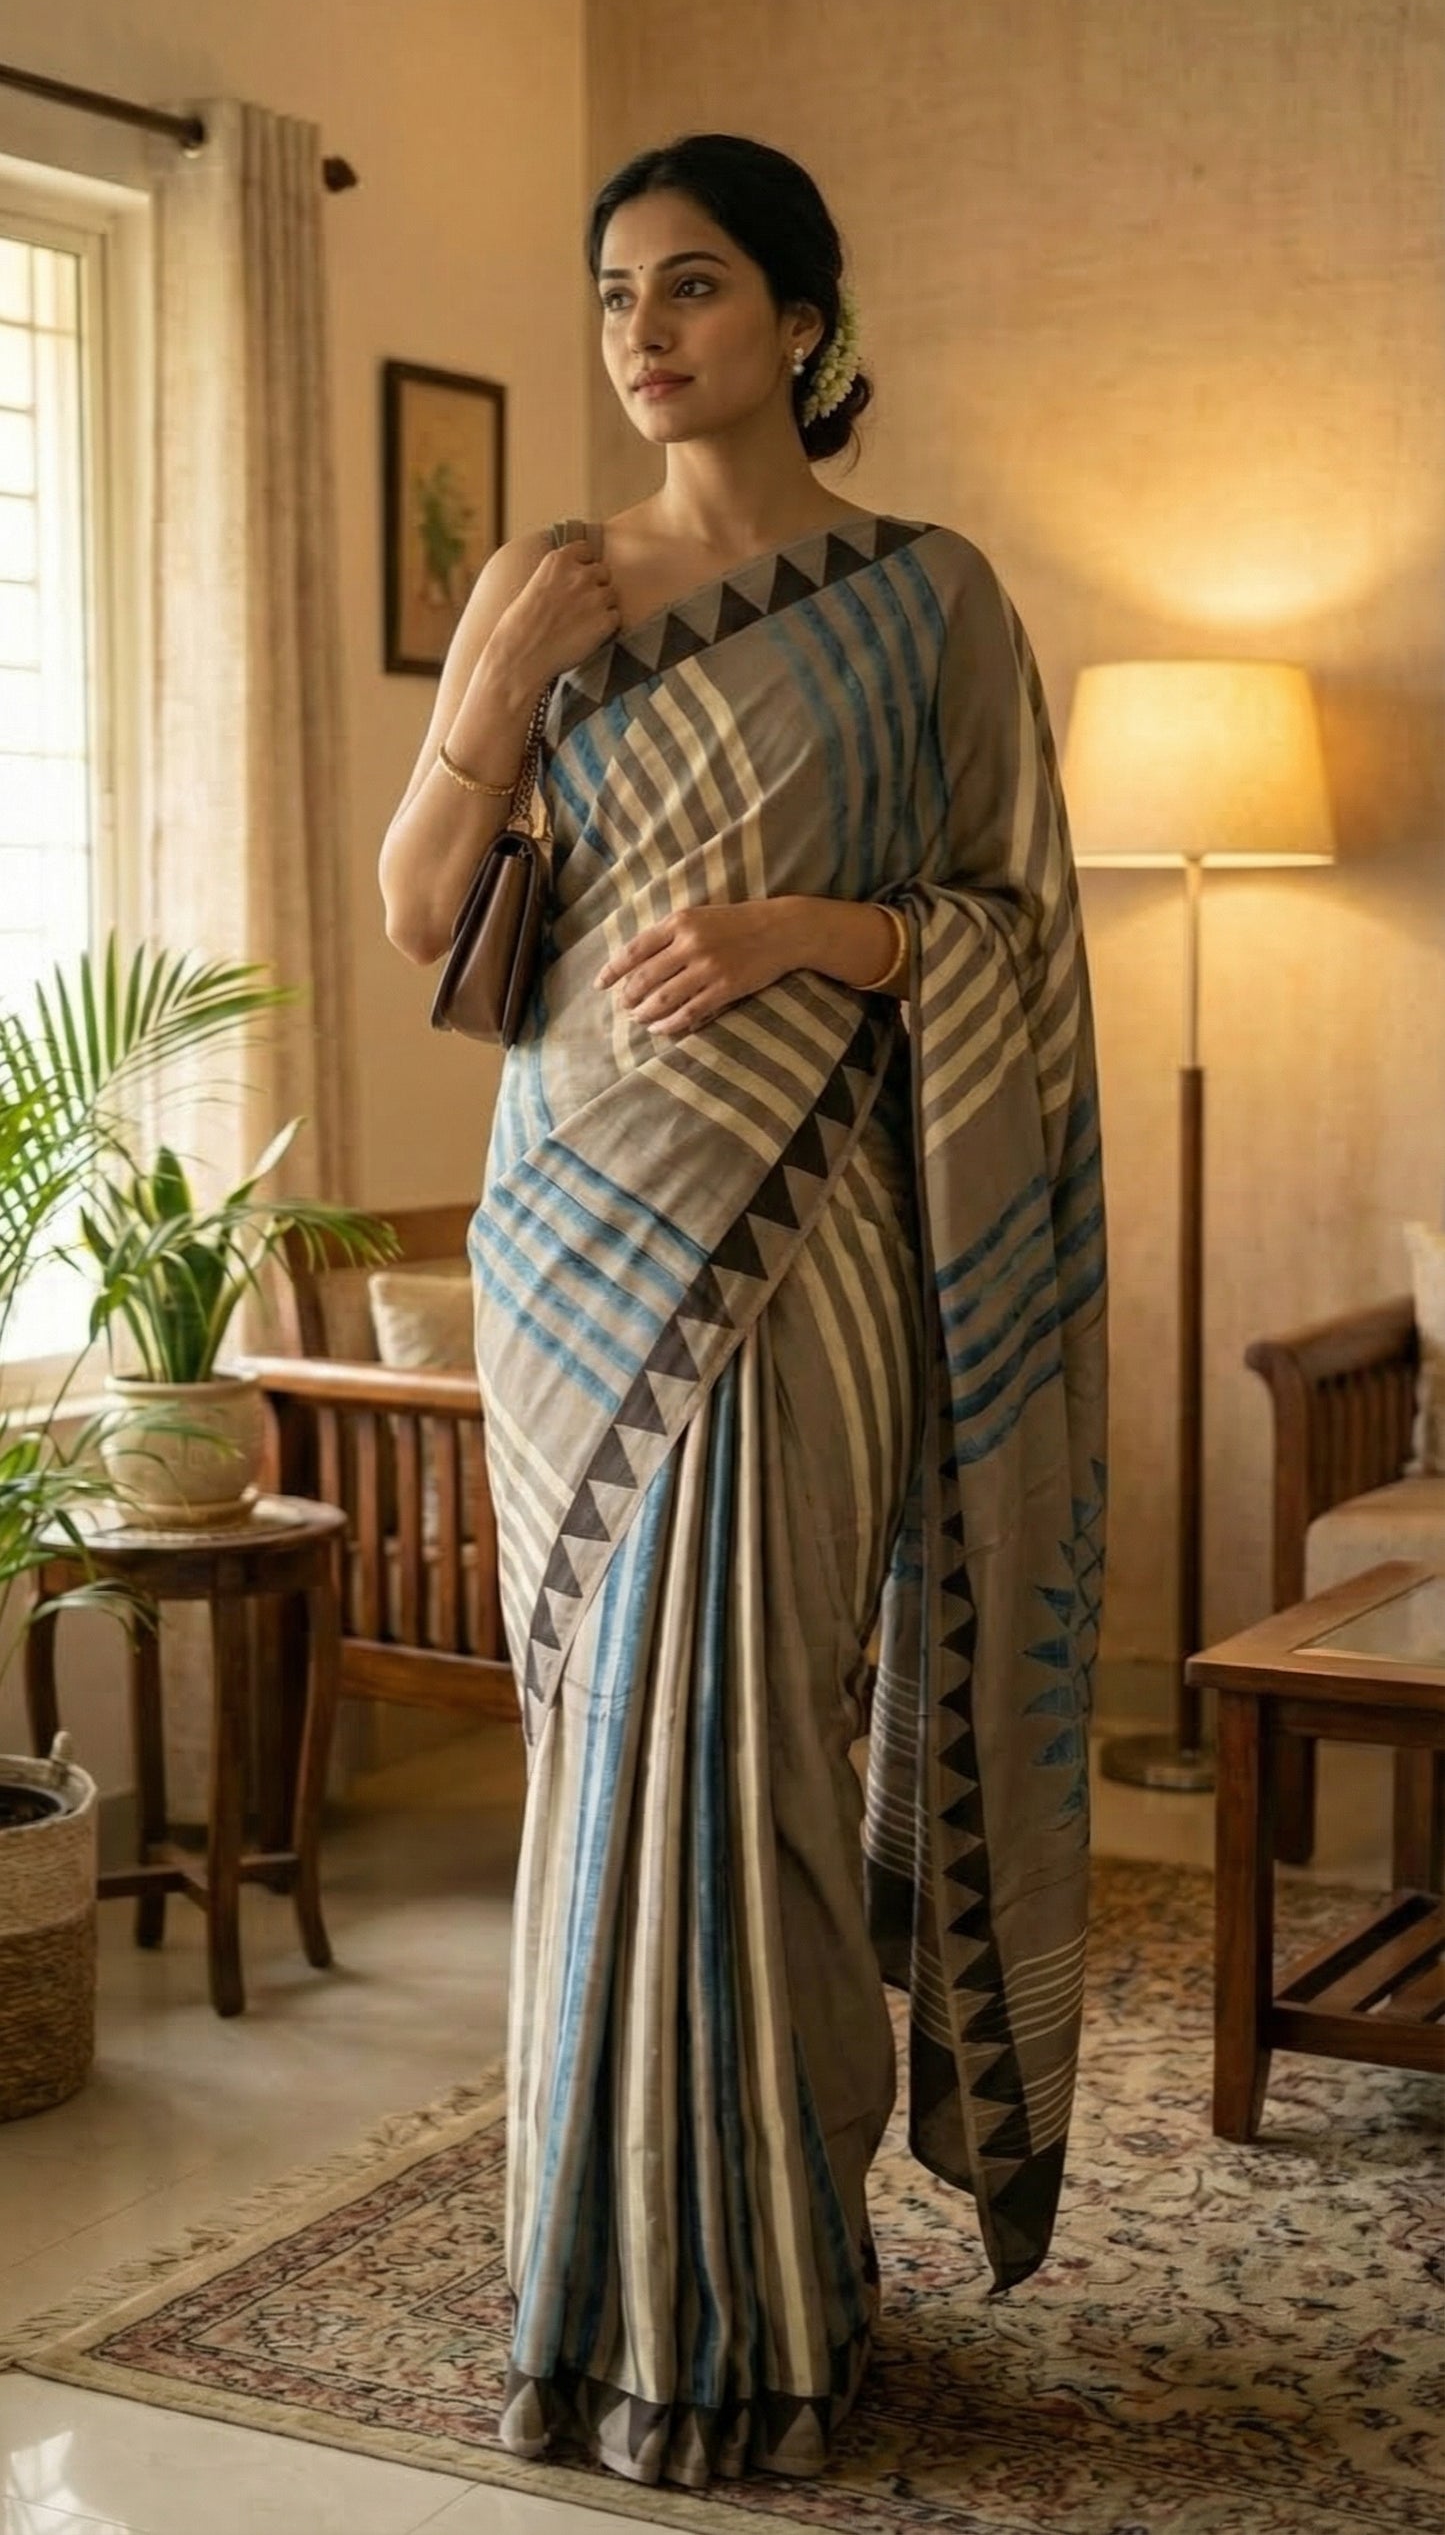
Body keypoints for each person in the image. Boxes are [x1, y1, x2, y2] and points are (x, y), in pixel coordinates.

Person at [380, 132, 1107, 2493]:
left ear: (803, 316)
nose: (642, 330)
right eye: (613, 292)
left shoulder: (930, 603)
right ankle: (601, 2293)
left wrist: (816, 933)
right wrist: (494, 686)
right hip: (569, 1242)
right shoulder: (551, 580)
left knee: (766, 1749)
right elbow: (423, 913)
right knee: (611, 1767)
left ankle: (771, 2288)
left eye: (692, 286)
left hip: (812, 1249)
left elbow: (1017, 926)